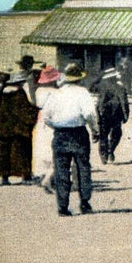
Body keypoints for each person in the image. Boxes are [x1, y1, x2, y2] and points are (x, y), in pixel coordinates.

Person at [41, 63, 100, 216]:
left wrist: (58, 127)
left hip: (60, 134)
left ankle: (62, 206)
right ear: (79, 78)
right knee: (83, 169)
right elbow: (89, 114)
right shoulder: (83, 93)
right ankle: (85, 203)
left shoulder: (56, 94)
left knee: (61, 171)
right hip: (78, 133)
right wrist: (95, 130)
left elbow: (46, 117)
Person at [0, 70, 39, 186]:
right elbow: (24, 111)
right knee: (22, 153)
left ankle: (5, 178)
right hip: (18, 129)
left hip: (3, 128)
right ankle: (25, 177)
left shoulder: (3, 94)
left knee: (3, 155)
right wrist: (35, 113)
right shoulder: (19, 94)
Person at [32, 66, 61, 193]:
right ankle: (49, 178)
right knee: (54, 149)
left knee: (41, 149)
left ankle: (43, 174)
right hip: (54, 120)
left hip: (41, 120)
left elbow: (37, 105)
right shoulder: (58, 93)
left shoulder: (39, 91)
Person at [96, 67, 129, 164]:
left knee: (103, 135)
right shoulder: (120, 87)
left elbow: (99, 102)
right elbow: (124, 102)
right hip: (116, 113)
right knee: (116, 134)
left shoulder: (101, 86)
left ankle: (104, 155)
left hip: (104, 113)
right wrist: (126, 114)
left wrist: (98, 113)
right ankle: (110, 150)